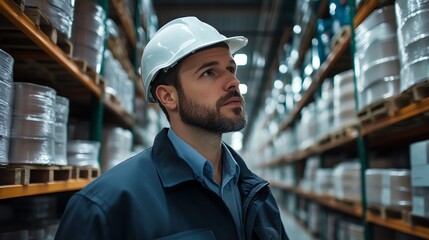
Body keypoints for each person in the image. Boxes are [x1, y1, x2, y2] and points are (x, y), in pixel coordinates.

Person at [55, 16, 289, 240]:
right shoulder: (106, 208)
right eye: (209, 72)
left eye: (231, 69)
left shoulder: (256, 194)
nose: (233, 82)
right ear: (168, 96)